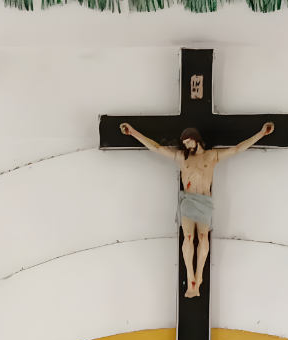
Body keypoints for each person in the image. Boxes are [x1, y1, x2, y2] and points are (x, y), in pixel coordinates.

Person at [119, 119, 277, 298]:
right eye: (184, 143)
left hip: (204, 201)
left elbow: (237, 149)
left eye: (188, 141)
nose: (186, 145)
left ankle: (199, 276)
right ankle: (190, 276)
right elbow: (156, 148)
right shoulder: (182, 158)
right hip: (187, 201)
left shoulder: (211, 156)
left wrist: (261, 133)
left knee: (203, 237)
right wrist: (133, 133)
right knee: (188, 237)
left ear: (196, 139)